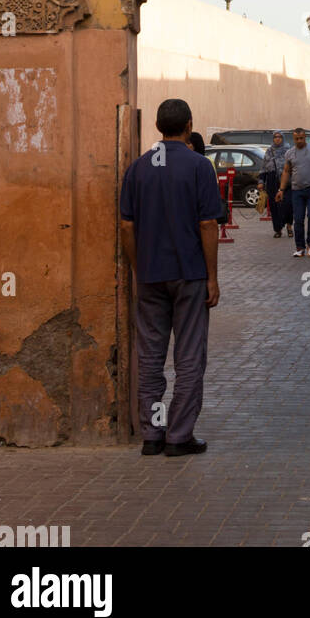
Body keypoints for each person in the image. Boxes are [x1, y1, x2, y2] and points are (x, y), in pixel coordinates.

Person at [119, 97, 221, 457]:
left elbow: (127, 226)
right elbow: (208, 224)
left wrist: (138, 268)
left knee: (151, 355)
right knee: (189, 355)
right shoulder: (199, 167)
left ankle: (152, 433)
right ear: (189, 125)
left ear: (158, 127)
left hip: (150, 276)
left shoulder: (137, 169)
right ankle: (179, 436)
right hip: (190, 275)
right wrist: (212, 277)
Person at [278, 127, 310, 257]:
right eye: (297, 139)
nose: (299, 141)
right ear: (294, 139)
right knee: (298, 219)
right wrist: (281, 190)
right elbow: (286, 171)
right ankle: (299, 247)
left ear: (305, 137)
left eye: (301, 138)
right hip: (296, 191)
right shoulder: (289, 153)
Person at [260, 130, 293, 237]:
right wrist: (261, 181)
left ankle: (289, 226)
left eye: (279, 137)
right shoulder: (269, 151)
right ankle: (278, 229)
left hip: (287, 181)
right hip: (272, 181)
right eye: (275, 137)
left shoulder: (289, 150)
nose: (277, 139)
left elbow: (294, 166)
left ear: (283, 138)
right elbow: (264, 167)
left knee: (287, 205)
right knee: (274, 206)